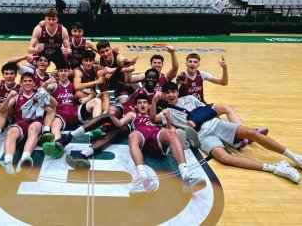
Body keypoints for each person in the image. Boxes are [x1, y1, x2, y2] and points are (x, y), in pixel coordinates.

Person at [151, 82, 302, 184]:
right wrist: (154, 102)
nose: (170, 95)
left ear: (177, 92)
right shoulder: (166, 112)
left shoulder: (190, 98)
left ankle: (294, 156)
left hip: (215, 124)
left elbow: (209, 111)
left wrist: (197, 119)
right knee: (224, 158)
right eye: (167, 93)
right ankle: (276, 167)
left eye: (173, 92)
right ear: (164, 95)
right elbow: (152, 117)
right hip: (203, 136)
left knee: (252, 133)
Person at [109, 93, 206, 195]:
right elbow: (119, 124)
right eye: (139, 103)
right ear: (136, 106)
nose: (142, 104)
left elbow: (156, 122)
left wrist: (168, 119)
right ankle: (144, 180)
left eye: (145, 102)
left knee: (172, 132)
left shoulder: (156, 115)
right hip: (142, 136)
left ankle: (187, 178)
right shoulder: (132, 115)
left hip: (156, 135)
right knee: (132, 135)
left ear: (149, 105)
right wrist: (112, 116)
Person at [0, 72, 58, 174]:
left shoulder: (39, 94)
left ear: (34, 83)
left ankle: (24, 160)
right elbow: (2, 110)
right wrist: (9, 97)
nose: (27, 83)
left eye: (30, 81)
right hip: (21, 122)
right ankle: (8, 163)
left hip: (36, 121)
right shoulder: (17, 96)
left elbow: (55, 104)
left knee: (33, 128)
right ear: (21, 84)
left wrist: (46, 93)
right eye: (25, 81)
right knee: (11, 131)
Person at [41, 64, 102, 158]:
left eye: (65, 71)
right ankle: (58, 147)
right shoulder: (54, 85)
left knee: (97, 101)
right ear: (58, 73)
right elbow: (42, 90)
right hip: (61, 113)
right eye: (61, 71)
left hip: (75, 111)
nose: (63, 73)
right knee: (54, 125)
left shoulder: (74, 85)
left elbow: (93, 94)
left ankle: (96, 128)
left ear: (69, 72)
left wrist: (88, 98)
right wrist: (47, 82)